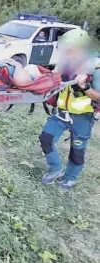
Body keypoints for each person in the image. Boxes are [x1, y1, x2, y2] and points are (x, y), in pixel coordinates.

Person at [39, 28, 100, 190]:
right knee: (46, 138)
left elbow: (98, 96)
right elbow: (54, 79)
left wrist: (85, 86)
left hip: (82, 117)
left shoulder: (95, 67)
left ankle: (70, 178)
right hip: (60, 113)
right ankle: (55, 169)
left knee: (77, 151)